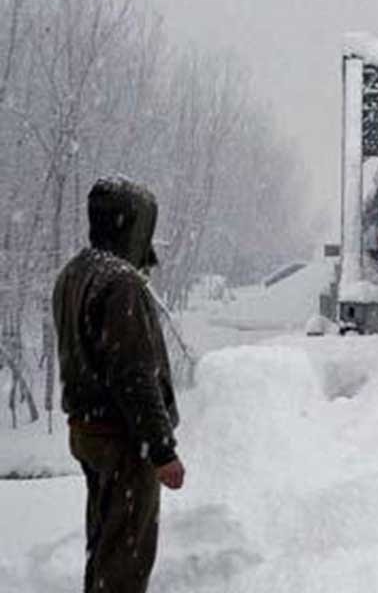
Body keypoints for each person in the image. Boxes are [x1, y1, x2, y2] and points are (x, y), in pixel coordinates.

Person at [53, 177, 185, 593]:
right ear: (131, 226)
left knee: (104, 541)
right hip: (124, 440)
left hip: (88, 432)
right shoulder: (121, 282)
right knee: (126, 556)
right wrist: (162, 449)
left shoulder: (74, 272)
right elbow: (134, 374)